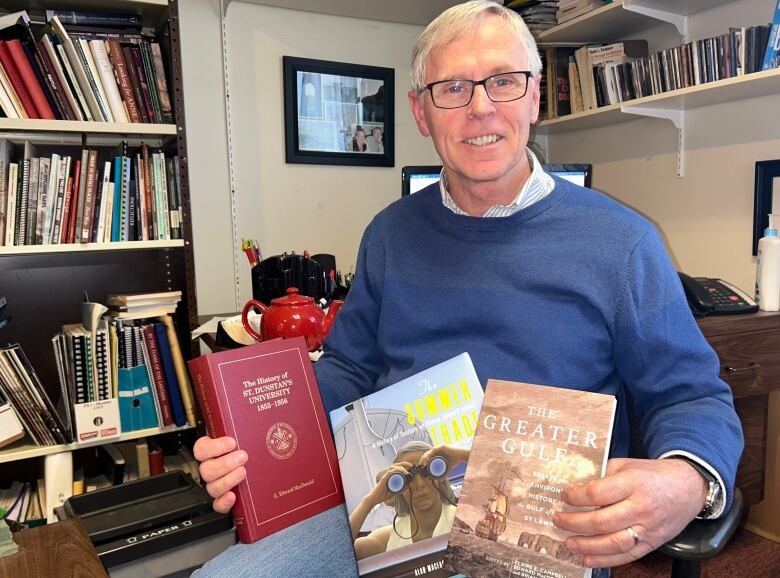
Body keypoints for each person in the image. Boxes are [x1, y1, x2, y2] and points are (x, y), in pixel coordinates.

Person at [193, 1, 743, 576]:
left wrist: (687, 479)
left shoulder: (624, 243)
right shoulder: (390, 232)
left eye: (503, 82)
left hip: (535, 528)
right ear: (422, 111)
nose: (481, 108)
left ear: (533, 96)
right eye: (453, 88)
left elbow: (690, 395)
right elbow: (350, 369)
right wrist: (260, 441)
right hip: (389, 504)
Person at [348, 442, 467, 559]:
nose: (419, 484)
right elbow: (340, 553)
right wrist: (370, 500)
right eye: (408, 478)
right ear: (398, 487)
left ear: (439, 474)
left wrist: (461, 455)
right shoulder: (389, 538)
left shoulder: (465, 520)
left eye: (425, 472)